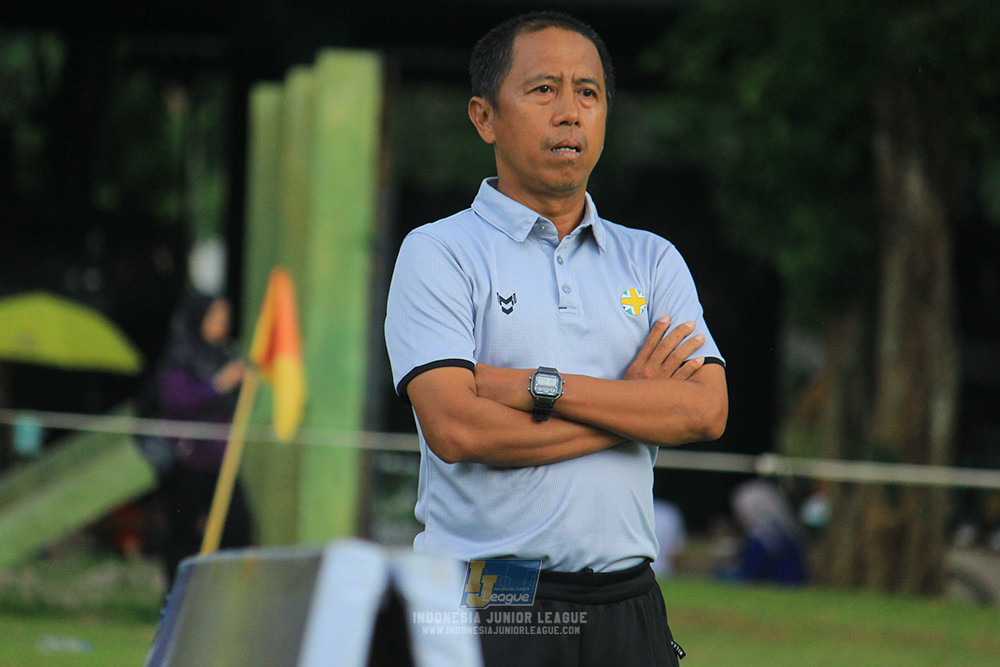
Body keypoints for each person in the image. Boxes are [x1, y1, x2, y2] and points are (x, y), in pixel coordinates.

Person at [384, 11, 727, 667]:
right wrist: (634, 409)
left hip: (629, 596)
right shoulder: (440, 253)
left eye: (588, 92)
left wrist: (536, 389)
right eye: (544, 90)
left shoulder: (652, 261)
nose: (570, 111)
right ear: (484, 117)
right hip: (493, 590)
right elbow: (458, 429)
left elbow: (706, 410)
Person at [154, 291, 253, 588]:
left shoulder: (227, 354)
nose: (221, 323)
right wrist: (218, 385)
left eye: (225, 317)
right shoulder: (180, 356)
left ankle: (227, 598)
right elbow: (177, 401)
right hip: (186, 462)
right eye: (214, 317)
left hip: (220, 460)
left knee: (238, 528)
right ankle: (176, 601)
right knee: (183, 534)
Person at [722, 479, 808, 586]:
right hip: (769, 537)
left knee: (787, 578)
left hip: (776, 539)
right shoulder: (750, 494)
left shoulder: (755, 494)